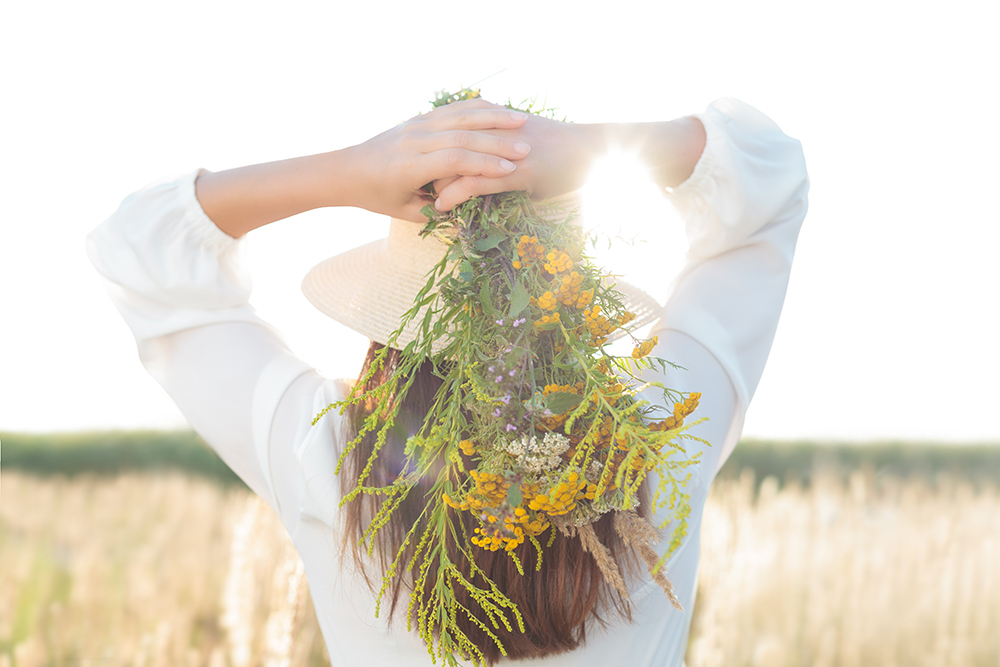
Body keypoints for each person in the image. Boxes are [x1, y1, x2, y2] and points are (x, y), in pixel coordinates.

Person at [87, 96, 808, 666]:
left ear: (395, 315)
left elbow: (139, 249)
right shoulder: (662, 430)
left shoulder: (329, 461)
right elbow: (768, 179)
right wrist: (587, 150)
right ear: (573, 291)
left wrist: (353, 171)